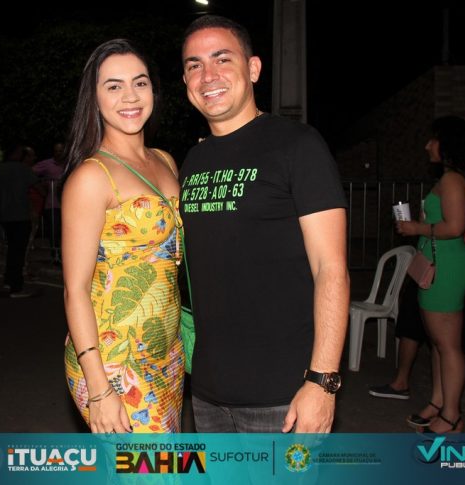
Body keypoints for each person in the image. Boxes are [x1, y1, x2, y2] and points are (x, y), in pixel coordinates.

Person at [179, 15, 349, 433]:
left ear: (253, 68)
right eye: (195, 65)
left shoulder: (298, 145)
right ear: (185, 81)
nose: (208, 75)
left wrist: (322, 382)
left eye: (222, 59)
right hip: (207, 393)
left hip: (284, 396)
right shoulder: (193, 161)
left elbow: (331, 269)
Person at [61, 39, 184, 433]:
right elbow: (75, 289)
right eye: (113, 86)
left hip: (168, 351)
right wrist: (99, 388)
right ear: (94, 99)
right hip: (113, 361)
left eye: (140, 83)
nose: (130, 96)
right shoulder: (91, 177)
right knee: (150, 465)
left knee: (166, 463)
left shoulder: (165, 161)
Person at [396, 115, 465, 433]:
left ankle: (452, 416)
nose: (427, 145)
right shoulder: (453, 178)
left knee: (448, 345)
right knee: (438, 342)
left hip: (446, 267)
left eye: (433, 139)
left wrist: (416, 228)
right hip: (440, 263)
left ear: (447, 144)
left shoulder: (452, 180)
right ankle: (439, 403)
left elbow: (454, 227)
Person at [369, 188, 465, 409]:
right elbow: (436, 227)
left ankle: (450, 411)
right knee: (420, 332)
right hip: (429, 271)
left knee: (452, 346)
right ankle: (430, 399)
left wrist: (456, 267)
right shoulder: (447, 187)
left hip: (449, 275)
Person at [0, 143, 40, 298]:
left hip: (5, 215)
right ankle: (16, 287)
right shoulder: (24, 169)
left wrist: (5, 196)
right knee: (19, 251)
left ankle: (9, 280)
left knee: (12, 249)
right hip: (21, 214)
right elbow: (40, 188)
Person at [33, 142, 66, 261]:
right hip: (52, 204)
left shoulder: (69, 163)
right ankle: (55, 254)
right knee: (54, 230)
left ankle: (65, 255)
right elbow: (31, 172)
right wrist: (42, 184)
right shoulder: (47, 164)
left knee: (66, 231)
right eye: (56, 151)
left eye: (61, 150)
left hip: (68, 204)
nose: (59, 153)